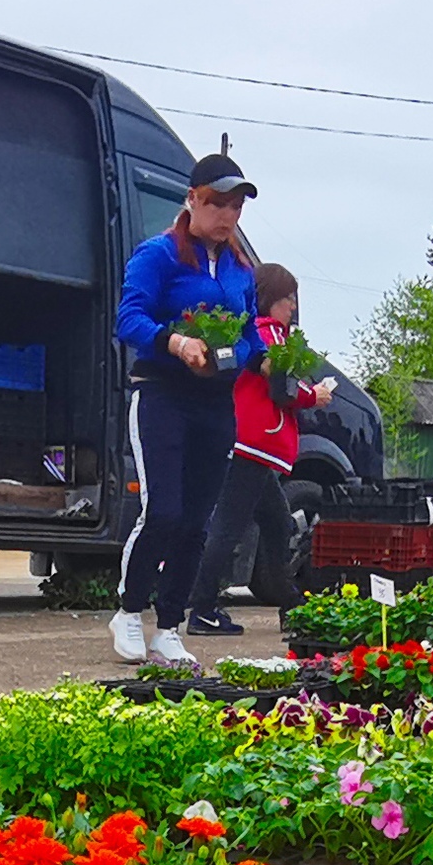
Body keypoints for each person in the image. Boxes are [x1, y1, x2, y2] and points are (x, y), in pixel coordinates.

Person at [110, 153, 257, 668]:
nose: (226, 214)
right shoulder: (160, 255)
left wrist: (249, 358)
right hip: (162, 394)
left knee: (198, 521)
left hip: (215, 402)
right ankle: (130, 611)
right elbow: (127, 317)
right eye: (216, 202)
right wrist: (173, 343)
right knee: (164, 510)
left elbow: (251, 336)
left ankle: (169, 626)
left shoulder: (241, 270)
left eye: (235, 205)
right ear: (192, 199)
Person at [184, 262, 333, 633]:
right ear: (271, 299)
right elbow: (282, 388)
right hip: (254, 443)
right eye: (288, 299)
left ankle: (289, 600)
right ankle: (201, 608)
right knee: (228, 528)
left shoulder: (262, 335)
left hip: (253, 445)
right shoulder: (269, 337)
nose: (293, 308)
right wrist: (315, 395)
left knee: (278, 524)